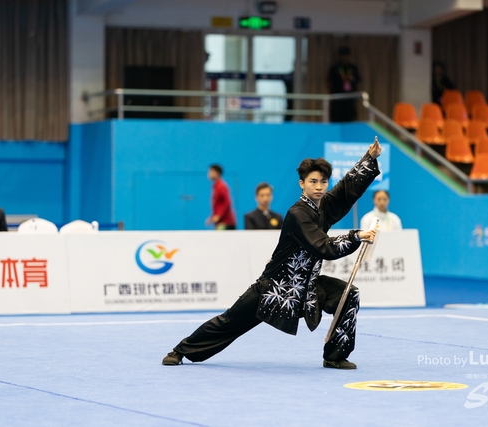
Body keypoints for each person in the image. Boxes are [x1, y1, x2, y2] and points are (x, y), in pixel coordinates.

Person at [162, 137, 382, 369]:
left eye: (323, 182)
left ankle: (335, 356)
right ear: (301, 184)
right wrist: (355, 236)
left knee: (349, 295)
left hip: (307, 289)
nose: (319, 186)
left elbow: (346, 189)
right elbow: (323, 246)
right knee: (229, 322)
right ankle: (180, 350)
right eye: (313, 181)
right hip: (274, 288)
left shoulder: (323, 206)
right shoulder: (298, 214)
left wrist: (369, 158)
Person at [328, 46, 360, 122]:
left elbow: (358, 82)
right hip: (337, 98)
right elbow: (329, 82)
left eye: (346, 55)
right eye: (342, 55)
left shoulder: (353, 68)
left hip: (350, 99)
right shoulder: (335, 68)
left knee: (350, 119)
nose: (344, 57)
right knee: (336, 119)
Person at [206, 164, 236, 230]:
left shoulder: (221, 186)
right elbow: (218, 205)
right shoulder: (216, 186)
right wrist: (212, 217)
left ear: (217, 173)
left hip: (226, 223)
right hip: (221, 222)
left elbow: (227, 202)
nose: (209, 173)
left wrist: (218, 216)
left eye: (211, 171)